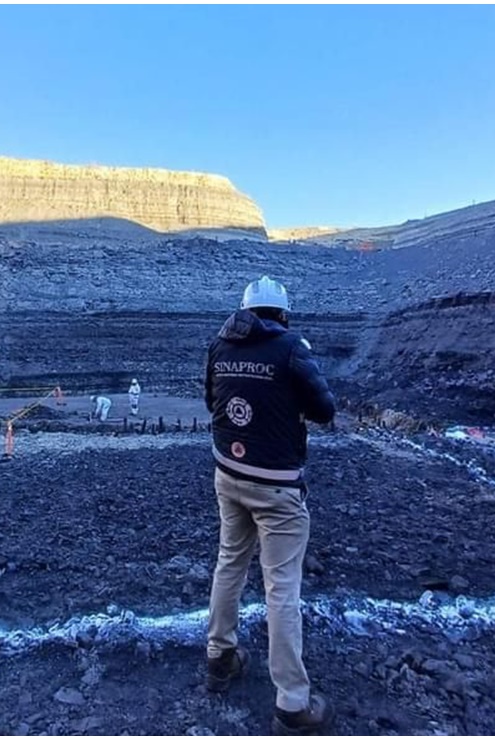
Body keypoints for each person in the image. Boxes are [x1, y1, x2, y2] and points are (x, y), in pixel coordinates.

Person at [203, 275, 336, 734]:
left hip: (228, 473)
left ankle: (220, 657)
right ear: (281, 314)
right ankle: (293, 702)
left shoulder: (219, 344)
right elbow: (324, 409)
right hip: (276, 486)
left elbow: (211, 402)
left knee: (229, 563)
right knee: (281, 586)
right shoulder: (292, 347)